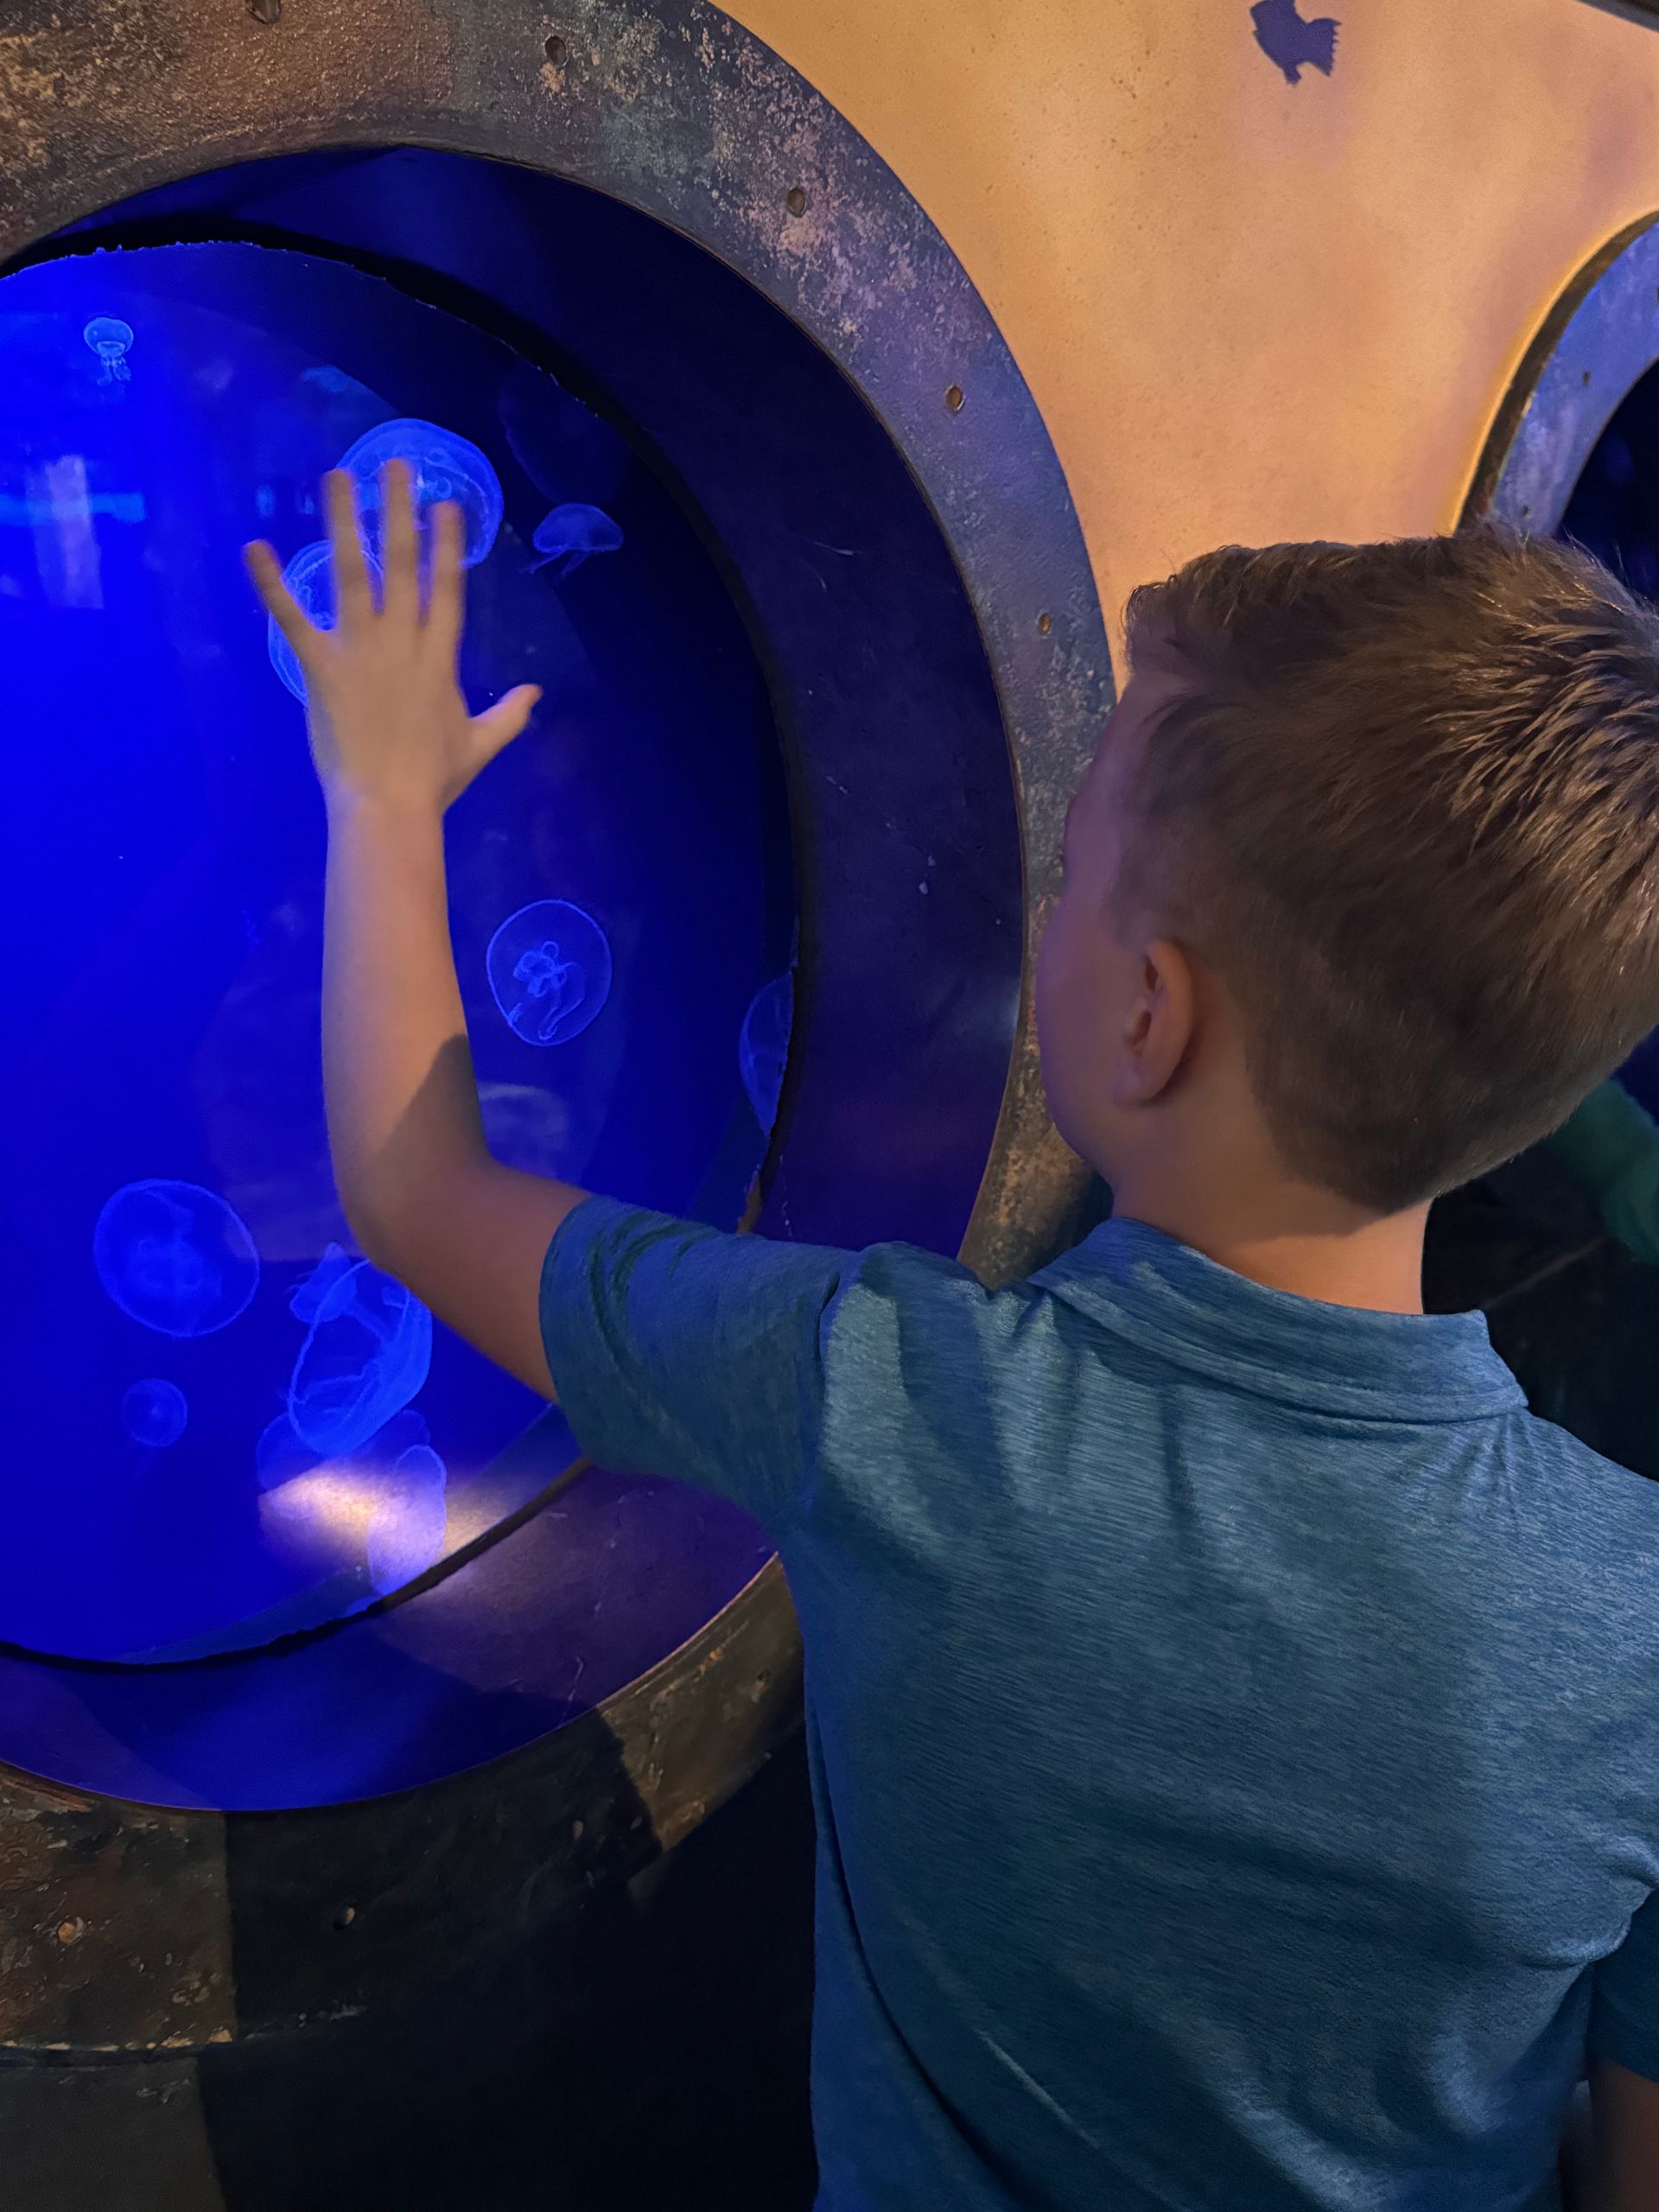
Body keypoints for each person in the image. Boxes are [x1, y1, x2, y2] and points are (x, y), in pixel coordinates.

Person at [248, 467, 1659, 2212]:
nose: (1047, 906)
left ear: (1149, 1014)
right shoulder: (1641, 1621)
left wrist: (380, 791)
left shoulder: (897, 1406)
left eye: (1074, 874)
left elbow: (413, 1188)